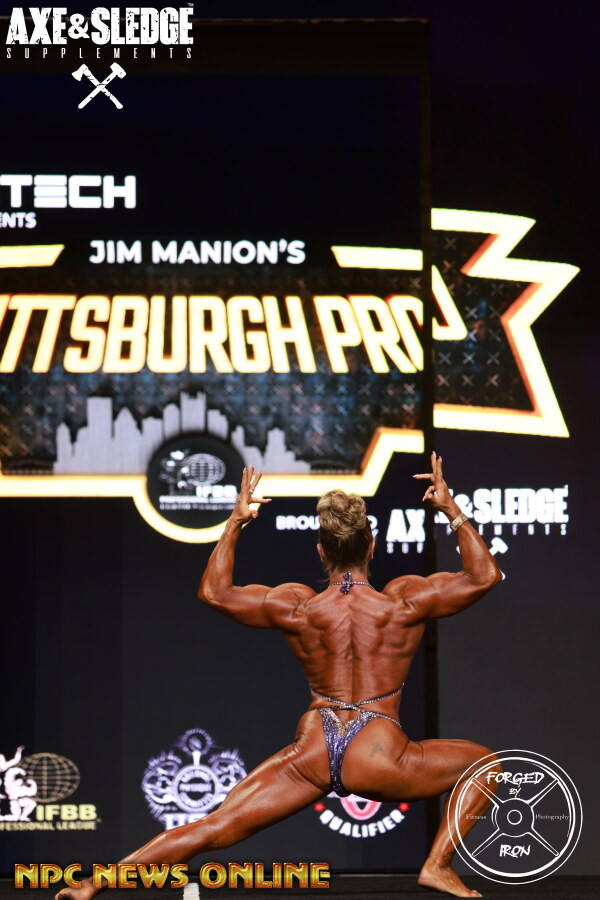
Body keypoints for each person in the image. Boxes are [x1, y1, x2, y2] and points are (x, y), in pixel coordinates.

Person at [56, 452, 502, 900]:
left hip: (316, 746)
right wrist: (451, 510)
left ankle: (94, 884)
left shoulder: (298, 606)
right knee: (486, 765)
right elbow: (484, 576)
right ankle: (437, 866)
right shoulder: (405, 602)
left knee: (215, 826)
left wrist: (235, 523)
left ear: (321, 551)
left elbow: (215, 592)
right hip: (379, 751)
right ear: (371, 546)